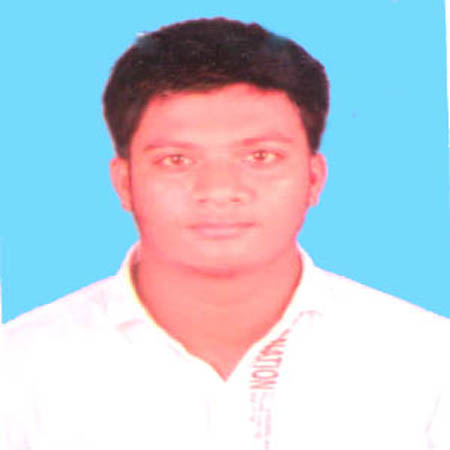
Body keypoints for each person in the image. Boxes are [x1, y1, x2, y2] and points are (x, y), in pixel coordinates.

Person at [2, 17, 449, 450]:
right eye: (176, 160)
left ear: (314, 178)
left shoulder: (428, 363)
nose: (218, 191)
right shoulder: (18, 370)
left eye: (260, 157)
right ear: (124, 183)